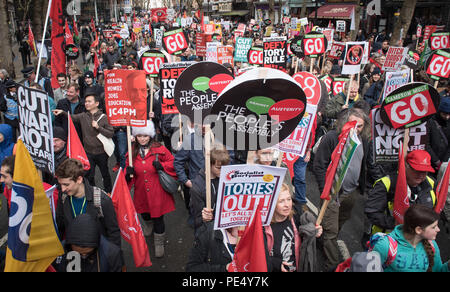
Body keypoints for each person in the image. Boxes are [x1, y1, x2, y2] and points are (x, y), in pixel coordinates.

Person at [313, 107, 371, 271]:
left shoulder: (363, 140)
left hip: (351, 192)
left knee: (339, 223)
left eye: (359, 126)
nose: (355, 128)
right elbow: (319, 166)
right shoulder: (331, 138)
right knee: (331, 230)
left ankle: (323, 240)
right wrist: (325, 190)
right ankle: (331, 264)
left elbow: (365, 164)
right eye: (352, 123)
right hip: (332, 193)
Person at [125, 120, 177, 258]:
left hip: (157, 191)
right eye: (139, 136)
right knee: (145, 214)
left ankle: (159, 242)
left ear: (150, 135)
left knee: (158, 218)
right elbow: (127, 171)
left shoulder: (159, 148)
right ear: (135, 136)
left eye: (145, 136)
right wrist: (128, 175)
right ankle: (148, 224)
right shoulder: (132, 152)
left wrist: (162, 166)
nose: (142, 139)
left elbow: (172, 161)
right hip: (141, 191)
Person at [365, 150, 437, 235]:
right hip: (389, 240)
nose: (421, 175)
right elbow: (372, 211)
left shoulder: (431, 183)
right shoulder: (387, 183)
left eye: (424, 171)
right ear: (406, 166)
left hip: (417, 241)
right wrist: (398, 224)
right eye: (417, 170)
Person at [54, 94, 114, 193]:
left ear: (97, 103)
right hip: (88, 152)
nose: (86, 103)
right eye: (85, 101)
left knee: (105, 173)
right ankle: (92, 191)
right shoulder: (83, 116)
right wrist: (62, 113)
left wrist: (99, 127)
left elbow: (110, 133)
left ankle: (109, 192)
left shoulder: (103, 118)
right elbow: (72, 117)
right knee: (89, 174)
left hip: (101, 152)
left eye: (89, 101)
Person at [55, 158, 121, 249]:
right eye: (60, 184)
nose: (62, 189)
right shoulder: (63, 198)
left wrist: (113, 258)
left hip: (97, 253)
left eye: (66, 185)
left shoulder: (102, 200)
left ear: (79, 179)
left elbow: (113, 232)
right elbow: (60, 224)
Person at [371, 204, 449, 272]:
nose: (438, 230)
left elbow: (438, 270)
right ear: (418, 230)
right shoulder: (384, 246)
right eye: (433, 227)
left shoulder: (432, 245)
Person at [264, 184, 322, 272]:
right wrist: (276, 264)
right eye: (281, 201)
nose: (287, 205)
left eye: (289, 199)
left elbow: (309, 245)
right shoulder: (264, 228)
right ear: (272, 203)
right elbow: (259, 256)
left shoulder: (296, 218)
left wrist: (316, 234)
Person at [54, 213, 123, 272]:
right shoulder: (58, 253)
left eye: (88, 254)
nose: (83, 256)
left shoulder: (111, 254)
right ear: (69, 245)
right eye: (79, 254)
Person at [189, 145, 230, 232]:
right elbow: (197, 218)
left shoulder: (226, 178)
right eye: (218, 168)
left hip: (225, 226)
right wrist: (204, 217)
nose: (223, 171)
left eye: (225, 167)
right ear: (209, 164)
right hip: (208, 231)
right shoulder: (198, 187)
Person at [425, 97, 450, 173]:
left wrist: (445, 161)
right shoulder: (430, 121)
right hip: (431, 162)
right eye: (444, 114)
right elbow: (426, 144)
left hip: (446, 162)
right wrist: (436, 161)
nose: (447, 117)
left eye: (449, 114)